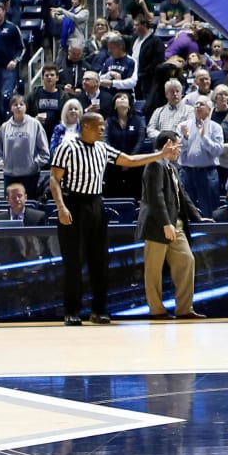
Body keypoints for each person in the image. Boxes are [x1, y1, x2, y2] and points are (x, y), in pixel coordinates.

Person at [48, 110, 177, 325]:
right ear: (86, 126)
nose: (102, 129)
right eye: (99, 126)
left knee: (100, 260)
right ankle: (72, 311)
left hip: (96, 203)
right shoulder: (67, 147)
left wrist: (159, 155)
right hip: (74, 204)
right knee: (73, 261)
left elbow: (129, 159)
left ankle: (98, 310)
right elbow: (54, 179)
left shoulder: (102, 147)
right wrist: (61, 207)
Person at [139, 131, 208, 319]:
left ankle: (185, 309)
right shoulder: (154, 164)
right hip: (158, 225)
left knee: (187, 260)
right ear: (168, 144)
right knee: (153, 269)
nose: (179, 149)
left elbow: (182, 195)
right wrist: (165, 223)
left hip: (175, 224)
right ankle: (156, 310)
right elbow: (156, 197)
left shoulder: (171, 167)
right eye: (178, 145)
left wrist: (198, 218)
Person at [0, 95, 50, 199]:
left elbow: (44, 152)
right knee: (11, 206)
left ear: (26, 107)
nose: (18, 107)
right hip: (10, 176)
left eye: (21, 104)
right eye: (15, 104)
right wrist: (2, 164)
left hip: (30, 176)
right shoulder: (4, 127)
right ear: (11, 108)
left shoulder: (35, 124)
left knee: (30, 206)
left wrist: (34, 164)